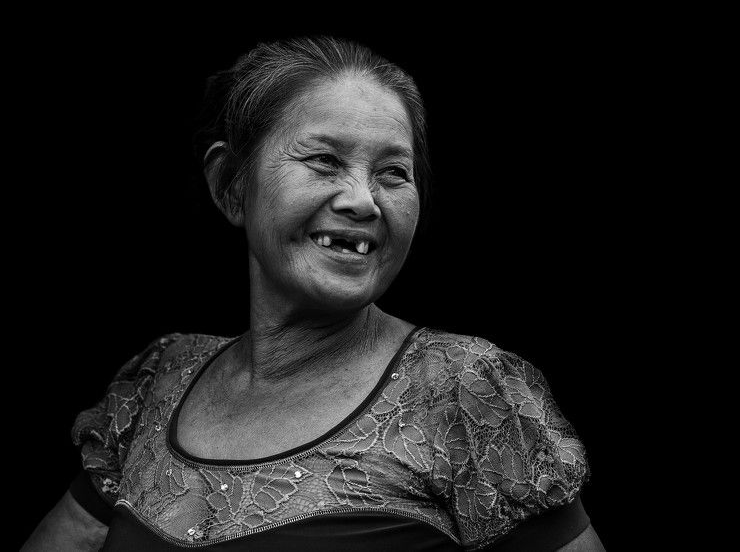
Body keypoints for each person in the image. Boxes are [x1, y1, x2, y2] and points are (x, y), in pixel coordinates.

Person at [23, 36, 604, 551]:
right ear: (230, 184)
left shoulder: (465, 392)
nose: (363, 200)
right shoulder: (158, 382)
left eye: (393, 173)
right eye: (325, 161)